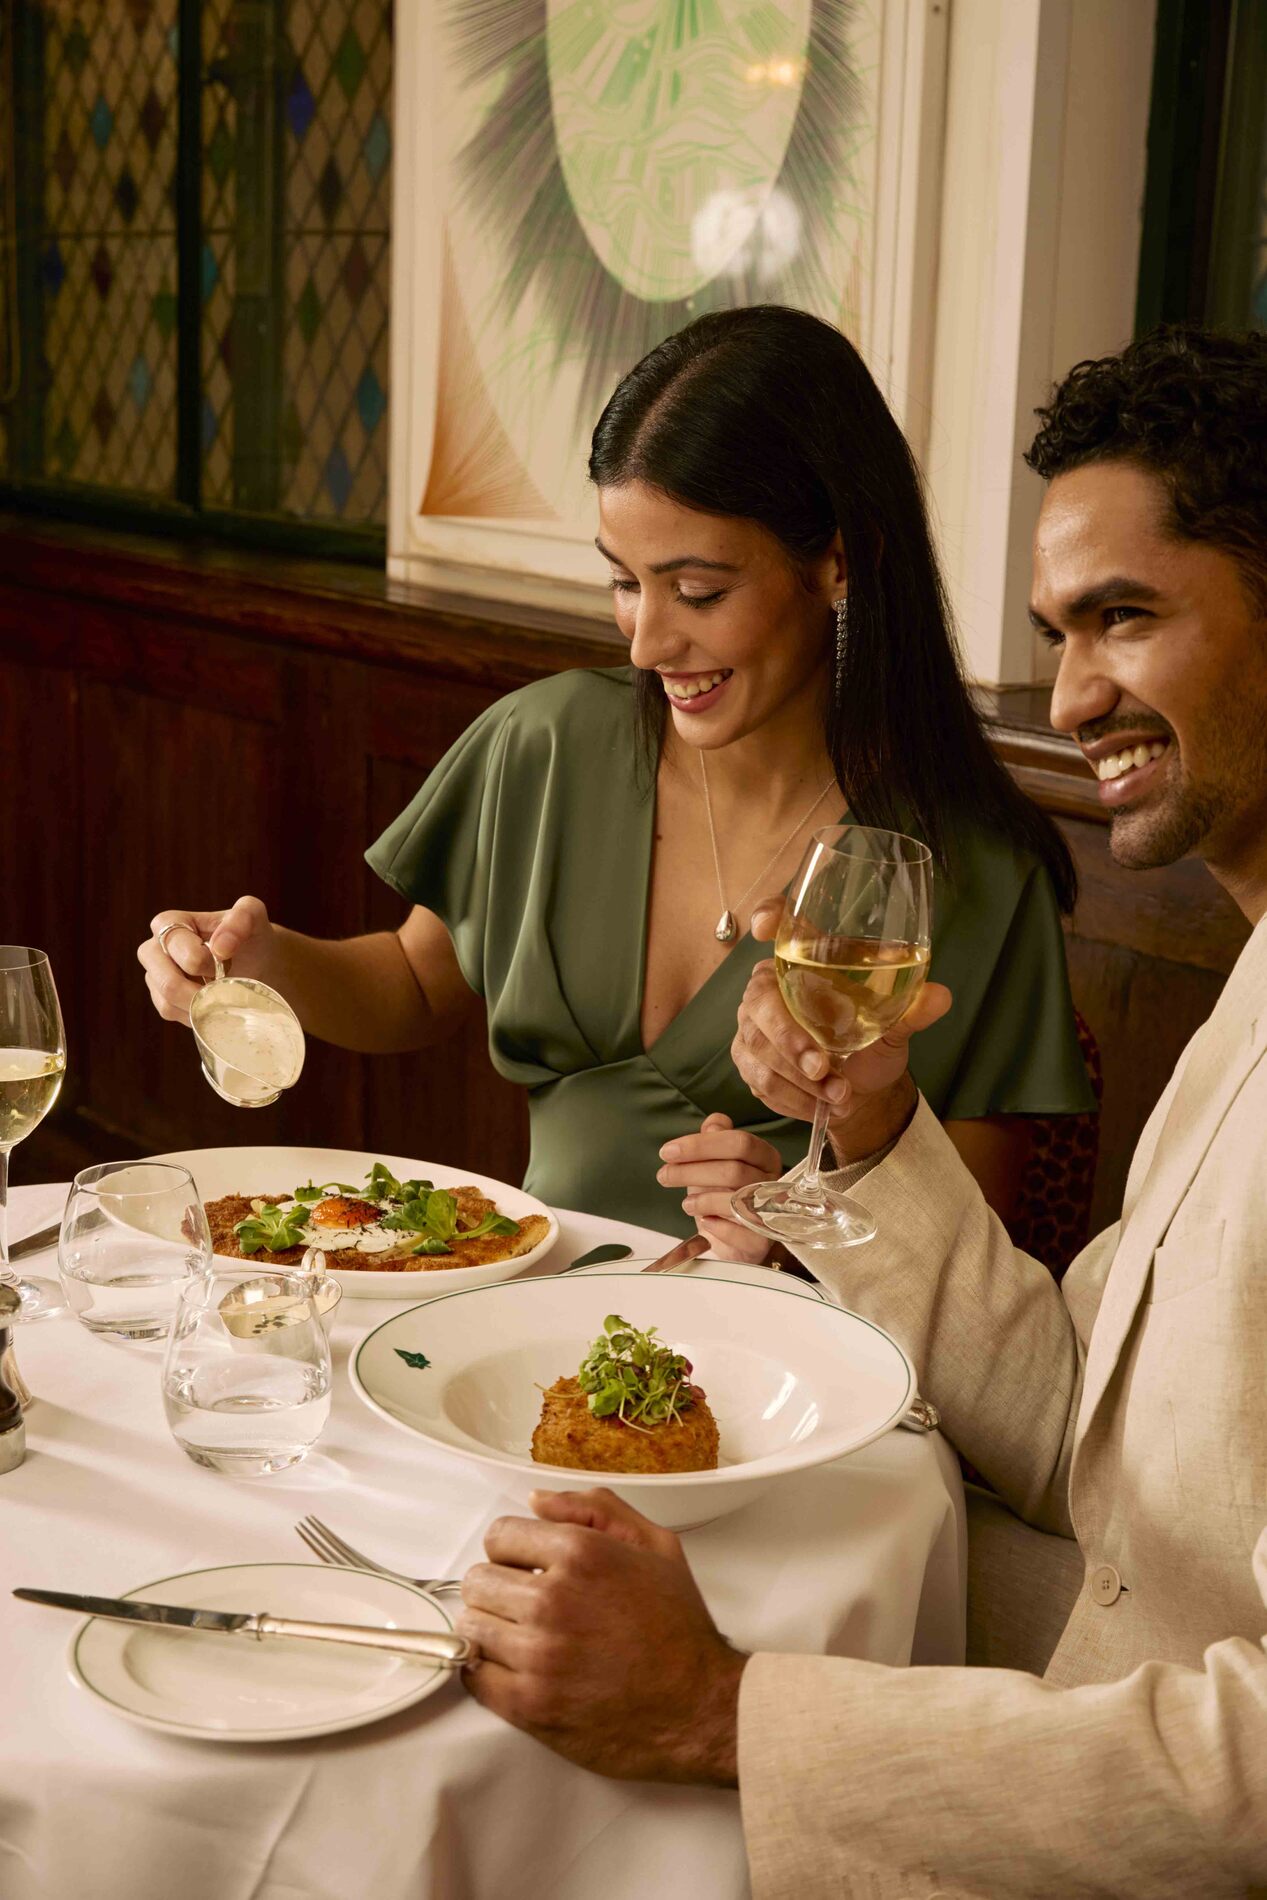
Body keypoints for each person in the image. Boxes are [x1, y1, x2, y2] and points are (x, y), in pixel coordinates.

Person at [453, 326, 1267, 1897]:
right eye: (1055, 628)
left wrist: (723, 1714)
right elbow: (1070, 1432)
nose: (1073, 692)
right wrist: (875, 1135)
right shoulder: (1246, 986)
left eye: (1125, 619)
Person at [138, 306, 1092, 1248]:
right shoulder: (548, 742)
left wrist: (803, 1211)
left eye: (698, 592)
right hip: (524, 1307)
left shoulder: (960, 864)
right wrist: (261, 963)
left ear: (840, 561)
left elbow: (981, 1233)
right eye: (625, 581)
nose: (646, 642)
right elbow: (415, 984)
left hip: (789, 1363)